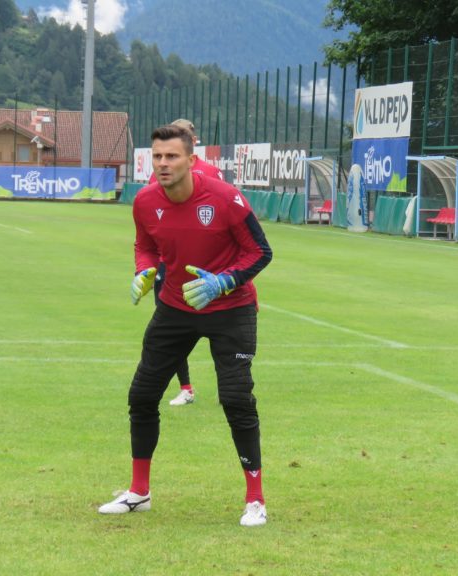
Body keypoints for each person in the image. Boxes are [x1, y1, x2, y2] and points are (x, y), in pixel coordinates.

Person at [99, 124, 272, 526]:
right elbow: (145, 244)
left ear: (191, 161)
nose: (163, 164)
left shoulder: (226, 199)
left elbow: (260, 252)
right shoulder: (144, 201)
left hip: (231, 309)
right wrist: (144, 272)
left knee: (236, 400)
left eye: (171, 156)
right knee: (141, 396)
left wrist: (223, 282)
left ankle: (255, 500)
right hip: (176, 308)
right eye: (157, 156)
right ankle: (139, 493)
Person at [148, 118, 224, 407]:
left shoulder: (211, 173)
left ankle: (221, 386)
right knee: (174, 330)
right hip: (172, 264)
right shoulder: (160, 176)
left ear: (192, 143)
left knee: (217, 327)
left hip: (204, 267)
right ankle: (187, 388)